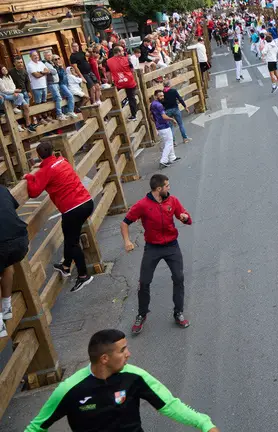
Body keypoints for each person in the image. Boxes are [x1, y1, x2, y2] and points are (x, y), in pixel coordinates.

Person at [24, 329, 219, 431]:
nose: (129, 354)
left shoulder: (134, 377)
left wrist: (204, 424)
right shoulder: (69, 389)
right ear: (104, 359)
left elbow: (169, 404)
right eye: (123, 350)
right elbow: (36, 427)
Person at [122, 175, 192, 334]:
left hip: (172, 246)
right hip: (153, 248)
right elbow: (125, 222)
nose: (169, 188)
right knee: (144, 282)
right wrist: (127, 241)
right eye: (166, 186)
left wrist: (185, 218)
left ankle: (178, 312)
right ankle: (141, 314)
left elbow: (187, 219)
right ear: (158, 189)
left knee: (178, 278)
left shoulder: (172, 201)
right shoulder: (142, 205)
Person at [24, 141, 94, 293]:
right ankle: (66, 266)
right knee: (68, 235)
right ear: (53, 151)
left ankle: (83, 275)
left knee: (72, 242)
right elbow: (51, 169)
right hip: (86, 202)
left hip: (72, 209)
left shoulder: (45, 170)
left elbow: (34, 192)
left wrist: (30, 177)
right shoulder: (62, 160)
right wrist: (41, 168)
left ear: (38, 155)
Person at [0, 185, 28, 338]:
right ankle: (7, 307)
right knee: (7, 265)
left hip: (2, 245)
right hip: (20, 241)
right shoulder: (3, 189)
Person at [106, 45, 139, 121]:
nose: (123, 52)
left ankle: (119, 116)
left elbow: (108, 74)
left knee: (119, 98)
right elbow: (133, 70)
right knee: (132, 98)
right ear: (118, 52)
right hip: (130, 82)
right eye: (122, 51)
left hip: (119, 83)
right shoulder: (127, 59)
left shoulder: (108, 62)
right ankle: (134, 115)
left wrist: (111, 83)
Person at [150, 90, 180, 168]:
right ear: (155, 96)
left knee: (167, 141)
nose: (162, 97)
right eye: (160, 96)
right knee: (169, 143)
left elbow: (150, 115)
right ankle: (163, 160)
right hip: (164, 126)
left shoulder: (152, 104)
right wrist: (172, 119)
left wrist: (156, 122)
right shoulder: (159, 105)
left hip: (159, 126)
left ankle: (172, 157)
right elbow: (164, 116)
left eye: (163, 95)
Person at [0, 66, 35, 132]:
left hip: (15, 94)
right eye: (2, 69)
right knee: (19, 97)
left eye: (5, 68)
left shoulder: (9, 76)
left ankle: (28, 125)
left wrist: (15, 91)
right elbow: (3, 90)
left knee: (26, 106)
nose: (5, 70)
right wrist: (14, 92)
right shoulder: (0, 79)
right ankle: (18, 123)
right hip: (7, 95)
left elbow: (13, 85)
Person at [50, 54, 78, 120]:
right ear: (53, 61)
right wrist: (60, 67)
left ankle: (65, 112)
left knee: (64, 98)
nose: (57, 60)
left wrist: (61, 67)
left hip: (64, 84)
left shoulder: (60, 67)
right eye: (55, 59)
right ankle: (70, 111)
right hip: (61, 84)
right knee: (70, 96)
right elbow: (61, 76)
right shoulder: (54, 68)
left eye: (58, 58)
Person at [163, 79, 190, 145]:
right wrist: (185, 107)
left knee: (171, 127)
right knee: (180, 124)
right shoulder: (173, 91)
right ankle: (185, 138)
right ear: (169, 85)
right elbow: (180, 99)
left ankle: (173, 142)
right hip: (175, 109)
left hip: (167, 111)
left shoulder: (162, 93)